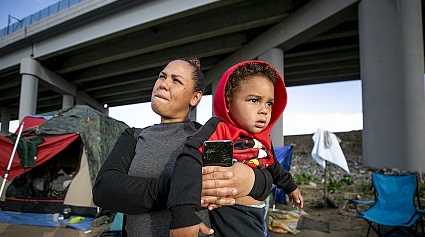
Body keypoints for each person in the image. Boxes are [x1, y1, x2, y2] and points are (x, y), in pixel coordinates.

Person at [92, 58, 274, 236]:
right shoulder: (134, 136)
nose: (163, 84)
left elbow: (259, 172)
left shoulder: (209, 137)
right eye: (162, 77)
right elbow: (104, 190)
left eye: (176, 80)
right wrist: (185, 189)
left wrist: (252, 180)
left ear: (195, 98)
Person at [168, 60, 304, 237]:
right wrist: (183, 214)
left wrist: (291, 188)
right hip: (230, 213)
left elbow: (274, 167)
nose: (264, 110)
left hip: (256, 213)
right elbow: (188, 158)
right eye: (254, 100)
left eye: (269, 103)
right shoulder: (220, 129)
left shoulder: (263, 140)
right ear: (228, 103)